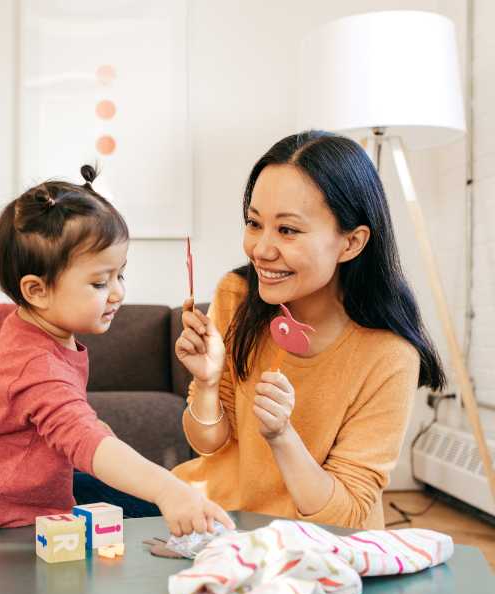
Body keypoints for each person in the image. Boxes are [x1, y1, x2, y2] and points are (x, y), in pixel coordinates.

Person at [0, 165, 233, 536]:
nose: (118, 292)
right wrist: (168, 490)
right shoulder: (36, 363)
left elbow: (57, 418)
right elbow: (82, 437)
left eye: (119, 274)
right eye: (99, 282)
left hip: (29, 510)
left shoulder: (37, 330)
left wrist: (93, 428)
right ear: (36, 291)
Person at [173, 131, 445, 529]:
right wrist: (208, 383)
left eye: (288, 230)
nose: (261, 250)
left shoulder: (389, 355)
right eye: (254, 223)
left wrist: (282, 435)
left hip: (320, 546)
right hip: (220, 523)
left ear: (351, 243)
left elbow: (347, 514)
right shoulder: (237, 296)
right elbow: (208, 443)